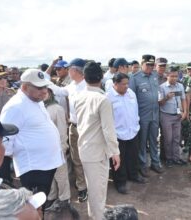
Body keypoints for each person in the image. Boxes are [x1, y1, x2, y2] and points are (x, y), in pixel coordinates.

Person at [0, 69, 64, 206]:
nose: (44, 90)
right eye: (39, 87)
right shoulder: (15, 107)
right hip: (33, 168)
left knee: (41, 204)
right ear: (24, 87)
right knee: (34, 207)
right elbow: (5, 144)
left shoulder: (36, 99)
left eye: (45, 86)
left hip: (46, 164)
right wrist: (5, 178)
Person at [74, 61, 120, 220]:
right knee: (98, 192)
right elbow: (108, 130)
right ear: (101, 77)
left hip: (86, 148)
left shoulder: (79, 96)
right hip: (97, 152)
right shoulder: (102, 99)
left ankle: (94, 215)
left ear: (84, 77)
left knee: (94, 190)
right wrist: (116, 152)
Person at [50, 58, 88, 202]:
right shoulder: (71, 85)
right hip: (74, 127)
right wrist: (44, 79)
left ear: (74, 70)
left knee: (89, 158)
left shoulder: (88, 86)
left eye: (69, 69)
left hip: (87, 129)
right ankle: (82, 186)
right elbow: (59, 91)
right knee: (76, 158)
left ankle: (91, 185)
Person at [106, 73, 146, 195]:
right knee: (118, 160)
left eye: (127, 83)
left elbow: (135, 110)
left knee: (133, 156)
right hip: (117, 134)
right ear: (115, 84)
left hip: (132, 131)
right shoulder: (108, 97)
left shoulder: (131, 93)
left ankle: (133, 175)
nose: (126, 86)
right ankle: (120, 182)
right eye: (123, 84)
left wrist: (136, 124)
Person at [129, 54, 164, 177]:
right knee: (142, 142)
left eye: (151, 65)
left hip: (155, 114)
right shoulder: (134, 78)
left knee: (154, 140)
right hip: (142, 116)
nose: (150, 67)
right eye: (147, 64)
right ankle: (142, 165)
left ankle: (155, 163)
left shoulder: (155, 75)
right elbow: (131, 99)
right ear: (141, 64)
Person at [43, 88, 71, 211]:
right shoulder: (39, 107)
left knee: (61, 175)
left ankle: (64, 199)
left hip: (57, 148)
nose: (43, 94)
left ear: (50, 93)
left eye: (45, 92)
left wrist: (63, 147)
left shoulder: (57, 109)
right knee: (49, 175)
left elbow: (62, 131)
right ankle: (52, 197)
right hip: (44, 149)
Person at [158, 65, 187, 168]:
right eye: (172, 76)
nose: (174, 78)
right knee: (168, 139)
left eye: (176, 76)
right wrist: (166, 97)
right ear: (167, 76)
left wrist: (185, 112)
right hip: (166, 116)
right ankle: (168, 159)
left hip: (177, 116)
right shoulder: (162, 87)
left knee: (176, 138)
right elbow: (159, 103)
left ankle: (176, 158)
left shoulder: (180, 86)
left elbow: (183, 99)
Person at [180, 62, 191, 153]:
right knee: (185, 127)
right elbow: (181, 95)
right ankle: (186, 145)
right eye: (188, 69)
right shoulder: (184, 80)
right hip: (186, 107)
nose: (189, 71)